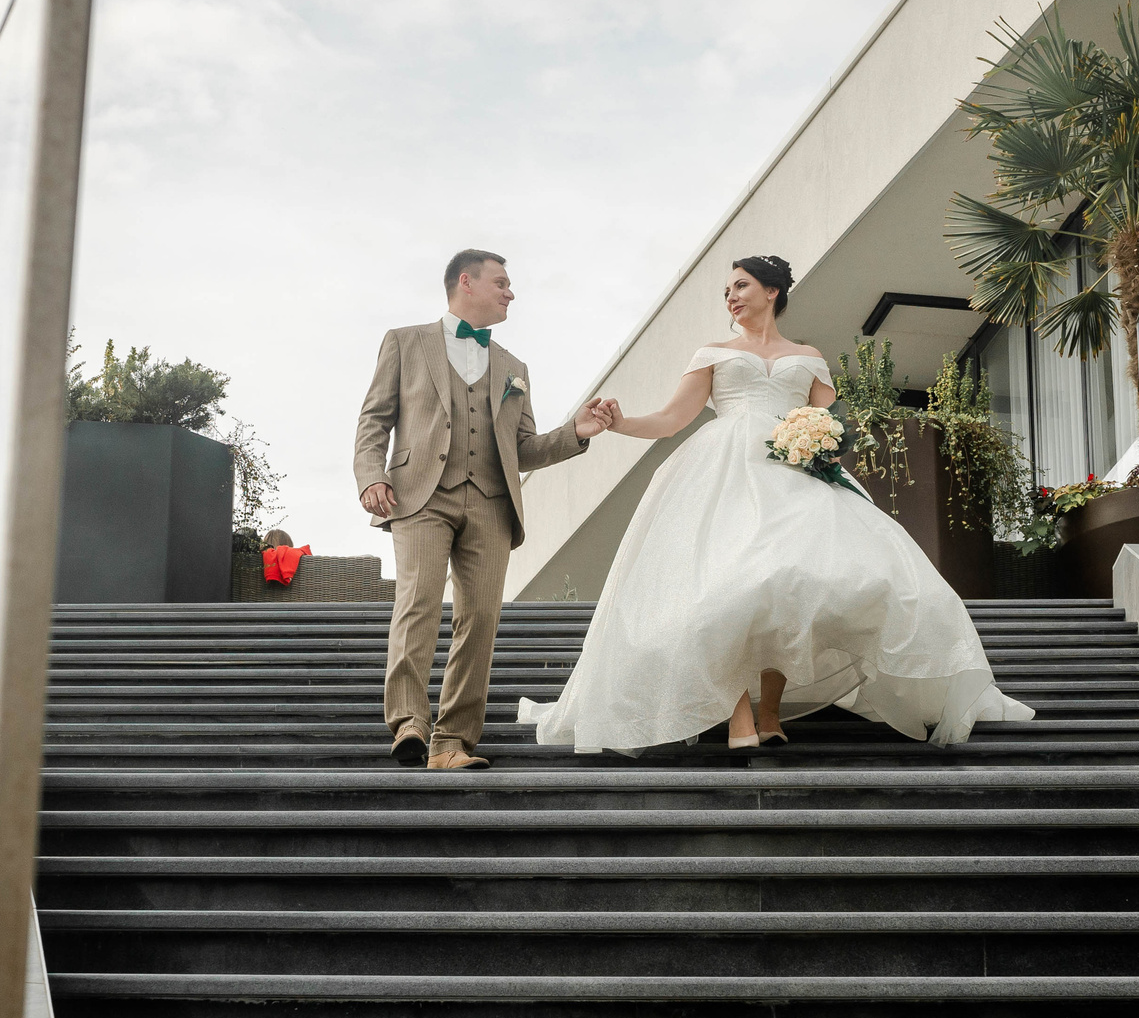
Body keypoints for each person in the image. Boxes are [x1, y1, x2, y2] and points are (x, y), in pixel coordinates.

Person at [518, 255, 1035, 751]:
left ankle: (770, 712)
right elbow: (672, 419)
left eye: (740, 286)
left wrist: (823, 443)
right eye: (726, 291)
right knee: (727, 587)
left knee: (788, 586)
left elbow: (835, 426)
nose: (731, 297)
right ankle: (737, 712)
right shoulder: (713, 353)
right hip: (723, 471)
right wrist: (620, 421)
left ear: (772, 291)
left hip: (794, 470)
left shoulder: (809, 358)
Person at [354, 249, 615, 769]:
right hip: (421, 493)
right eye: (502, 283)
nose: (510, 293)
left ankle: (452, 742)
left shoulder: (514, 368)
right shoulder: (405, 342)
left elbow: (524, 448)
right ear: (466, 282)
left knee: (481, 619)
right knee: (419, 602)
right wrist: (371, 476)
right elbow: (374, 420)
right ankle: (409, 722)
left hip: (493, 503)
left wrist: (575, 433)